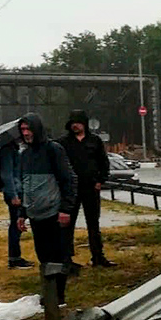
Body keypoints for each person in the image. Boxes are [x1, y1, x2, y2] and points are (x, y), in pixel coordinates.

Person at [15, 113, 77, 308]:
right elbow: (25, 185)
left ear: (37, 128)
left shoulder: (53, 150)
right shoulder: (25, 154)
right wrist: (22, 213)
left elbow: (69, 179)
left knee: (59, 255)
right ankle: (49, 293)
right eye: (23, 130)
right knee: (43, 256)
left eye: (28, 129)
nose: (26, 133)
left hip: (55, 212)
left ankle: (58, 295)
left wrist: (66, 209)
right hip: (35, 213)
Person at [59, 109, 115, 268]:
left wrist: (100, 180)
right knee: (67, 224)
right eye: (72, 123)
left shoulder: (95, 141)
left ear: (84, 123)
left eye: (78, 123)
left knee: (93, 224)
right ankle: (66, 259)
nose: (75, 126)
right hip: (71, 189)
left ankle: (98, 256)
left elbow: (103, 162)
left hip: (91, 187)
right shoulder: (63, 142)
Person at [0, 139, 33, 269]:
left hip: (18, 190)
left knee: (17, 224)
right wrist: (13, 195)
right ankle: (14, 259)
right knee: (15, 224)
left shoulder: (14, 149)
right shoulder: (7, 150)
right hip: (14, 193)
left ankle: (16, 257)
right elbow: (7, 175)